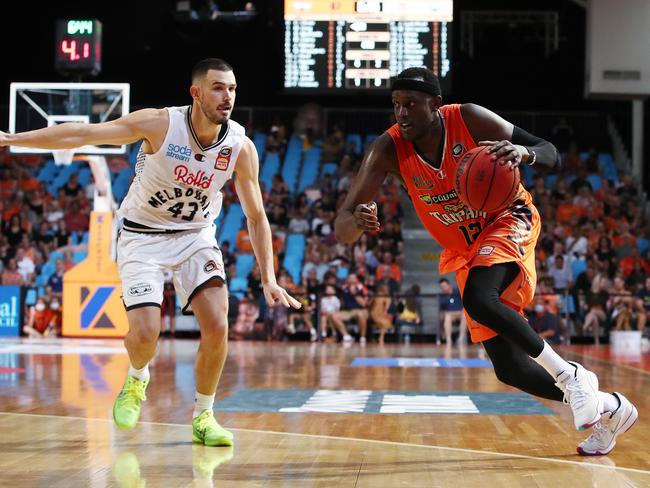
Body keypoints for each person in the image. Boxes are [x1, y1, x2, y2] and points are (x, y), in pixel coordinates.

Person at [333, 67, 636, 456]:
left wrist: (524, 153)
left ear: (436, 105)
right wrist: (357, 221)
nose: (401, 113)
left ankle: (571, 375)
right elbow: (341, 226)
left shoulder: (470, 118)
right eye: (396, 105)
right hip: (464, 249)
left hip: (509, 217)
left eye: (410, 104)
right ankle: (610, 409)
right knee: (508, 368)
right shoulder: (387, 148)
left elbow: (551, 153)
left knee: (479, 297)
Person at [1, 58, 301, 447]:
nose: (226, 96)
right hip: (142, 235)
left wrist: (269, 277)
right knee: (145, 333)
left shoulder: (239, 147)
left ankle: (204, 415)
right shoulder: (160, 124)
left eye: (231, 88)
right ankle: (137, 377)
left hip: (195, 235)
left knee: (218, 324)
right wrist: (11, 140)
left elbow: (256, 216)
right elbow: (84, 132)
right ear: (195, 92)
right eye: (217, 87)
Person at [438, 277, 466, 345]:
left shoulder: (458, 291)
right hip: (450, 315)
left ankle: (461, 339)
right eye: (441, 287)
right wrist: (442, 316)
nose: (443, 288)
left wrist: (463, 309)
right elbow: (441, 311)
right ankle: (448, 340)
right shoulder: (442, 297)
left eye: (444, 286)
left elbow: (465, 302)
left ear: (449, 285)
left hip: (460, 313)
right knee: (447, 317)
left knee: (465, 316)